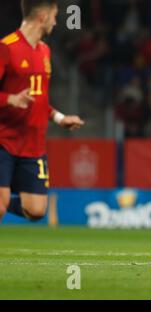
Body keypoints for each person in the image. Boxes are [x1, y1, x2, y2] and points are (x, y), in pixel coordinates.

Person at [0, 0, 85, 223]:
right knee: (0, 206)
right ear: (42, 17)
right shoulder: (6, 48)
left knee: (36, 211)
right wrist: (10, 99)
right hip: (4, 140)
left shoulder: (45, 52)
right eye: (55, 16)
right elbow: (12, 98)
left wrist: (60, 118)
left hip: (33, 145)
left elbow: (40, 100)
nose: (56, 22)